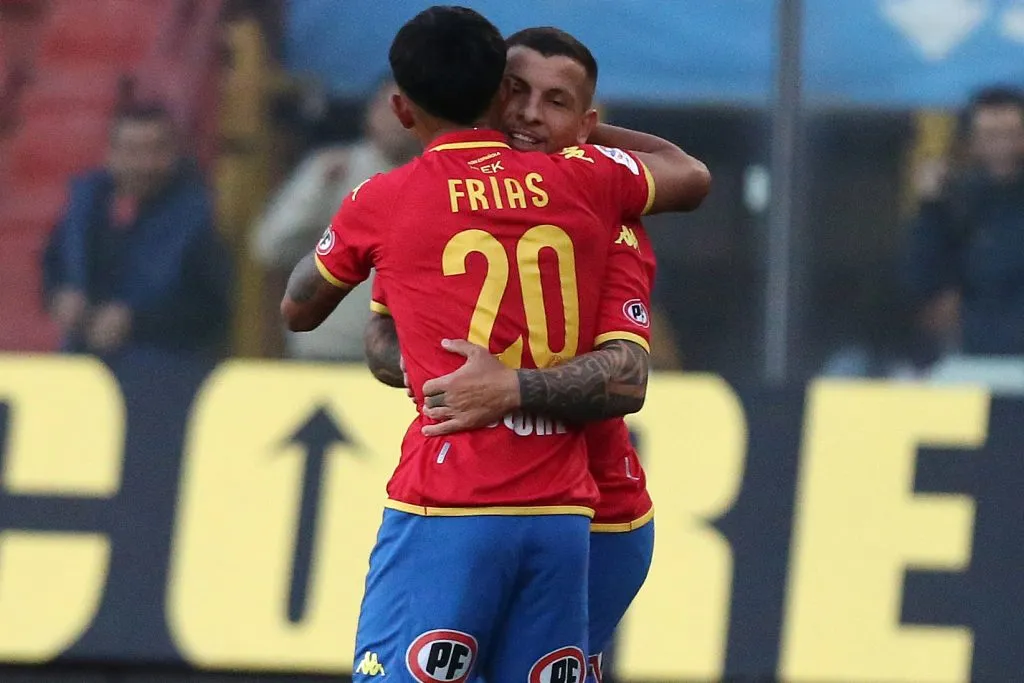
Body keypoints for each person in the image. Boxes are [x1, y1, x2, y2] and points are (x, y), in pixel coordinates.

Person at [281, 7, 708, 680]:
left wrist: (507, 385)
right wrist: (435, 367)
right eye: (517, 92)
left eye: (557, 103)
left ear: (588, 123)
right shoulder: (457, 204)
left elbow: (627, 378)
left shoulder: (605, 206)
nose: (532, 115)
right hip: (551, 509)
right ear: (489, 96)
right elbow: (384, 343)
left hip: (596, 513)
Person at [42, 102, 231, 360]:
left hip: (165, 368)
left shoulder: (200, 219)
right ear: (111, 154)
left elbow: (212, 311)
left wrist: (136, 322)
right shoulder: (84, 206)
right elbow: (53, 265)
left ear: (174, 153)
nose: (145, 164)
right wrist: (61, 296)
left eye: (156, 150)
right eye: (132, 151)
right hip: (83, 362)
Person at [251, 77, 417, 361]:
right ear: (370, 114)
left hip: (408, 363)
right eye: (390, 108)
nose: (397, 121)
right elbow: (268, 248)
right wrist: (316, 194)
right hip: (326, 354)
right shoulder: (332, 171)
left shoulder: (447, 181)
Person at [907, 85, 1024, 357]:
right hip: (968, 354)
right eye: (991, 136)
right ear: (972, 141)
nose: (1002, 147)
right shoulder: (951, 203)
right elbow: (920, 280)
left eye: (1012, 135)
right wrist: (929, 206)